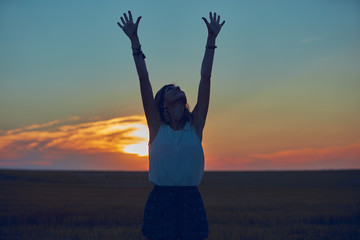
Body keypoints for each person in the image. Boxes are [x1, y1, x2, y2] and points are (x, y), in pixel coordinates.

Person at [117, 10, 225, 240]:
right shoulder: (157, 128)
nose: (177, 88)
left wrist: (211, 41)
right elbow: (144, 80)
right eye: (170, 89)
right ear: (162, 104)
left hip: (190, 201)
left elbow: (205, 78)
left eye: (177, 87)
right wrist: (135, 42)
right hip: (161, 202)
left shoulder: (196, 125)